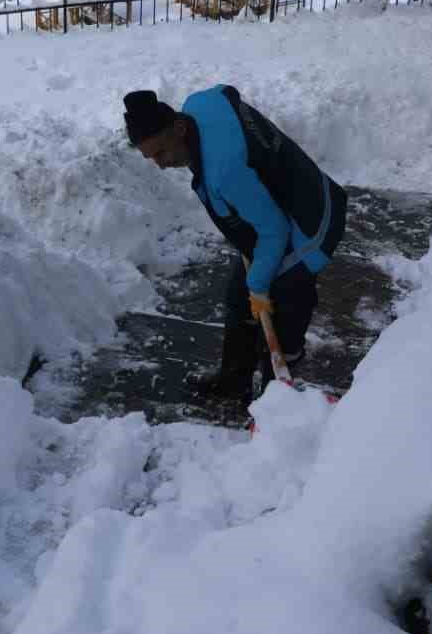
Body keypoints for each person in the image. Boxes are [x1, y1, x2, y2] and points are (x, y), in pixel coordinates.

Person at [124, 86, 346, 400]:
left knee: (284, 317)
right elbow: (227, 93)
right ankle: (233, 382)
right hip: (275, 204)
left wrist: (258, 282)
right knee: (238, 299)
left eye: (161, 152)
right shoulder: (200, 104)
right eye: (151, 158)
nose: (160, 164)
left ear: (179, 127)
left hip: (306, 223)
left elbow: (274, 231)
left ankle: (277, 405)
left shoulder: (225, 172)